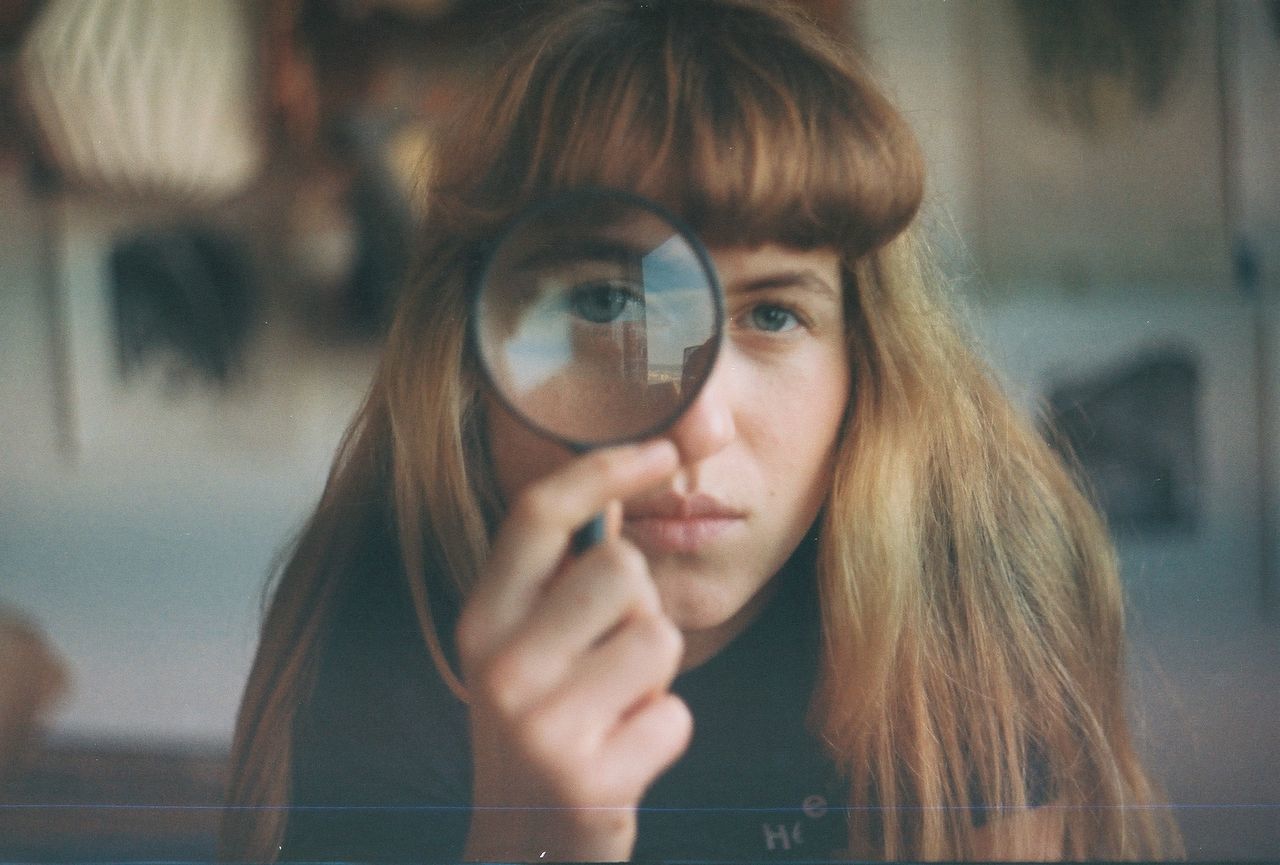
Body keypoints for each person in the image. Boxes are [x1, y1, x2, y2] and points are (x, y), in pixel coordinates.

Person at [220, 1, 1182, 860]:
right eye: (605, 302)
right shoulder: (383, 622)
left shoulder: (976, 590)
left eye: (772, 315)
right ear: (468, 357)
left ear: (870, 359)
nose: (697, 426)